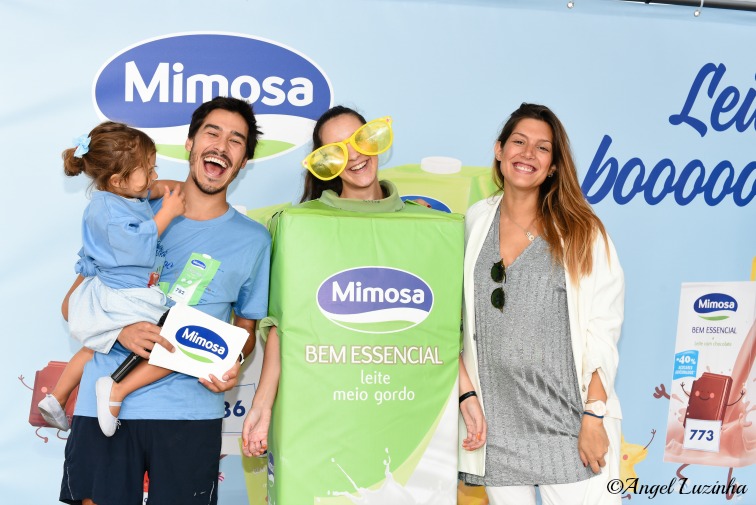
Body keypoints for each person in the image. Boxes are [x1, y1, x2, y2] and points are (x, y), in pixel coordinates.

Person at [59, 96, 271, 505]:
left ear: (243, 161)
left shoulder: (254, 239)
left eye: (236, 140)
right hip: (104, 410)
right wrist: (121, 330)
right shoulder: (128, 208)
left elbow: (247, 331)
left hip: (190, 414)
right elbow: (72, 306)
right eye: (212, 132)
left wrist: (232, 361)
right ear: (190, 142)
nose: (221, 145)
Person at [457, 103, 624, 505]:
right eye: (518, 142)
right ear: (499, 150)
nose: (528, 153)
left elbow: (603, 327)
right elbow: (453, 322)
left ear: (553, 166)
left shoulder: (582, 231)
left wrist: (594, 415)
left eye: (542, 148)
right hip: (497, 428)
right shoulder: (474, 221)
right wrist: (466, 396)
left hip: (569, 424)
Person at [241, 105, 408, 458]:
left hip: (399, 400)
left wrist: (466, 396)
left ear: (376, 139)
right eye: (337, 150)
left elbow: (440, 330)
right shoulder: (300, 227)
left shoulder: (425, 226)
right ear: (325, 163)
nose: (354, 156)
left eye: (360, 140)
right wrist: (262, 404)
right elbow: (282, 325)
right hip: (322, 403)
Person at [38, 122, 184, 438]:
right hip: (124, 294)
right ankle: (115, 391)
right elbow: (136, 246)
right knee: (175, 343)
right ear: (118, 180)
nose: (154, 176)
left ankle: (57, 398)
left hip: (118, 289)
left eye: (154, 167)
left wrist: (182, 189)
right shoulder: (104, 210)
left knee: (94, 347)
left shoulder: (125, 193)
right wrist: (167, 213)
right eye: (148, 169)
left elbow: (158, 188)